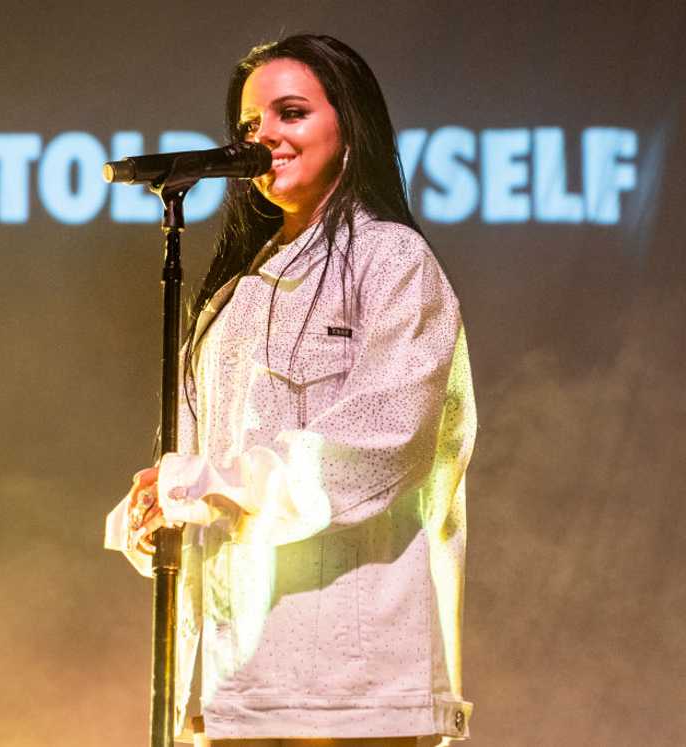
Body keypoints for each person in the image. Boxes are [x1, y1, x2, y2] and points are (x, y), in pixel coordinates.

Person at [105, 34, 476, 747]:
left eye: (291, 113)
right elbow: (198, 462)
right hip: (236, 683)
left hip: (353, 689)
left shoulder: (393, 259)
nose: (264, 136)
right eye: (249, 125)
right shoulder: (236, 292)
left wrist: (213, 485)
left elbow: (382, 441)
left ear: (350, 125)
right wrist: (161, 504)